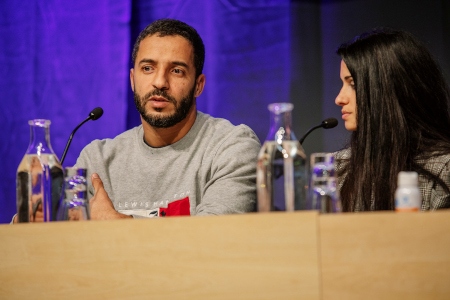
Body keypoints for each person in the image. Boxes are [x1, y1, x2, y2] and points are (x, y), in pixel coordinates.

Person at [74, 19, 261, 219]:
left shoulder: (232, 148)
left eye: (176, 71)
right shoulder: (98, 161)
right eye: (147, 68)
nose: (160, 82)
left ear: (198, 85)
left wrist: (120, 226)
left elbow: (212, 237)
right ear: (132, 80)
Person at [334, 28, 450, 211]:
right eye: (343, 84)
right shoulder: (338, 168)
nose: (339, 99)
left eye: (353, 85)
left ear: (388, 90)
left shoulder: (444, 169)